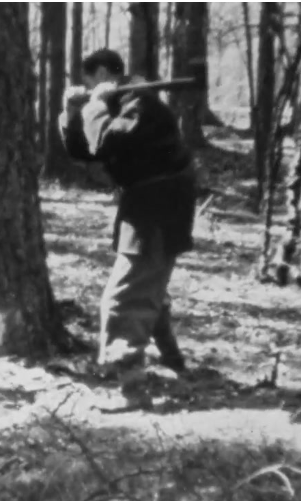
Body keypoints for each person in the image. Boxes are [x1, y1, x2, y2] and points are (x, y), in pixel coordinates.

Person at [59, 49, 197, 412]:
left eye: (90, 82)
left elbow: (106, 141)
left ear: (103, 72)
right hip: (146, 205)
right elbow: (85, 149)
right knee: (148, 286)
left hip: (159, 206)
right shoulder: (122, 103)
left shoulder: (142, 102)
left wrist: (95, 107)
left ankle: (133, 390)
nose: (89, 90)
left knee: (124, 298)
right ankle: (174, 364)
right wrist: (74, 112)